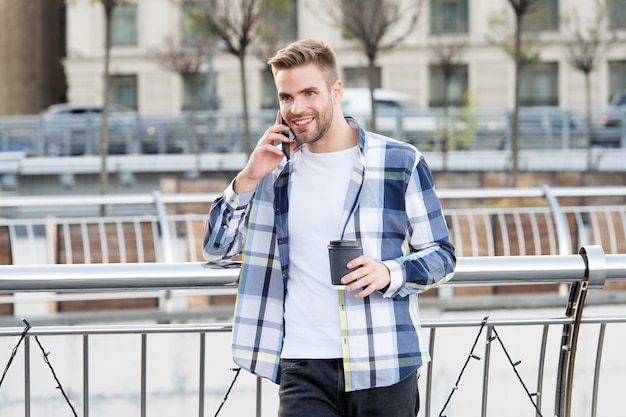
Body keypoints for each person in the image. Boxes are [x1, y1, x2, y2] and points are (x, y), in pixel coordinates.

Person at [203, 39, 455, 417]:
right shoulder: (274, 171)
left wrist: (390, 272)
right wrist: (249, 176)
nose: (296, 108)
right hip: (303, 367)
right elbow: (216, 248)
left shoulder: (399, 162)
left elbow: (442, 255)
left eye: (309, 93)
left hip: (383, 362)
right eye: (286, 97)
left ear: (336, 92)